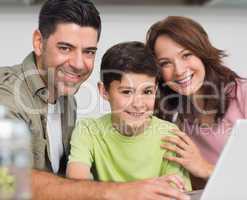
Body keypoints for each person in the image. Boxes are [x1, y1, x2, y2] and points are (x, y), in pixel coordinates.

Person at [0, 1, 190, 199]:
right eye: (65, 48)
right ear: (39, 42)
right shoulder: (7, 96)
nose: (78, 64)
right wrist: (121, 191)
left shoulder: (66, 99)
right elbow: (8, 180)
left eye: (89, 51)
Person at [145, 15, 247, 193]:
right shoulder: (176, 117)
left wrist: (205, 168)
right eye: (165, 63)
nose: (179, 70)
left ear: (202, 53)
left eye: (186, 55)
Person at [66, 41, 191, 192]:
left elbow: (175, 194)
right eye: (126, 92)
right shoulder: (88, 130)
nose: (138, 104)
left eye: (147, 92)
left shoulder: (170, 135)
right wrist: (134, 191)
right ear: (104, 91)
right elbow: (76, 187)